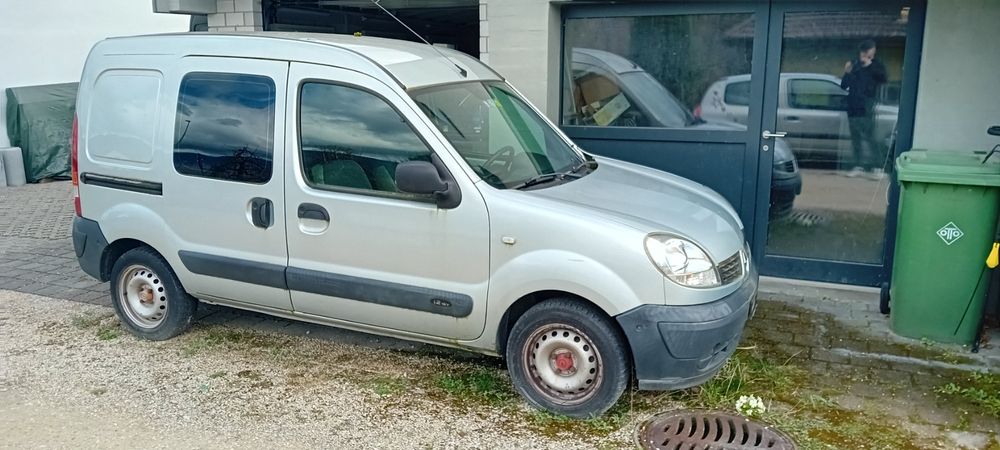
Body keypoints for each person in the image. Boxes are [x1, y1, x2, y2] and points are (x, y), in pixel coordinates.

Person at [841, 39, 888, 179]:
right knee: (855, 138)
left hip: (866, 106)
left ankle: (878, 167)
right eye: (864, 51)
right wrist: (847, 72)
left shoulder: (877, 65)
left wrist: (870, 66)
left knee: (870, 136)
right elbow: (844, 85)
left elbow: (883, 79)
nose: (866, 54)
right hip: (853, 107)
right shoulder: (855, 65)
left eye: (869, 51)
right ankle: (858, 166)